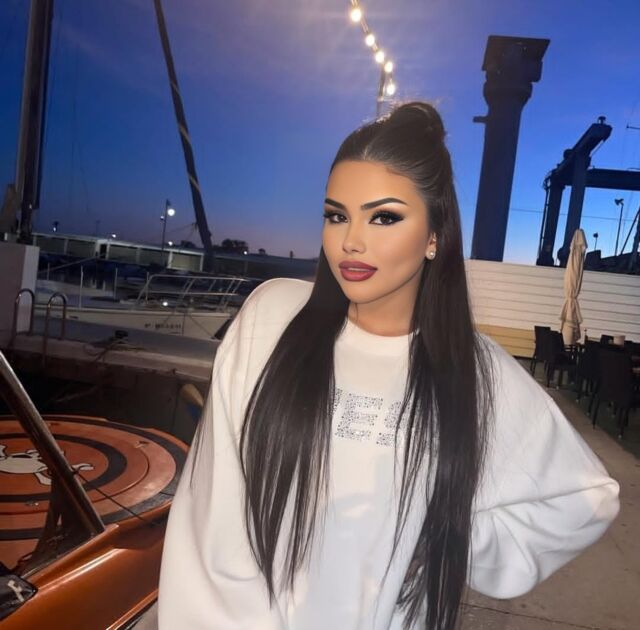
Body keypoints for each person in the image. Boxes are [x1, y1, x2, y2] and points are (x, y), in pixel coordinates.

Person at [158, 102, 619, 630]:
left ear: (434, 236)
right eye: (337, 215)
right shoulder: (271, 318)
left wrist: (449, 535)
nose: (351, 240)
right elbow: (211, 513)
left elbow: (585, 498)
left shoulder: (475, 372)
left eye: (384, 217)